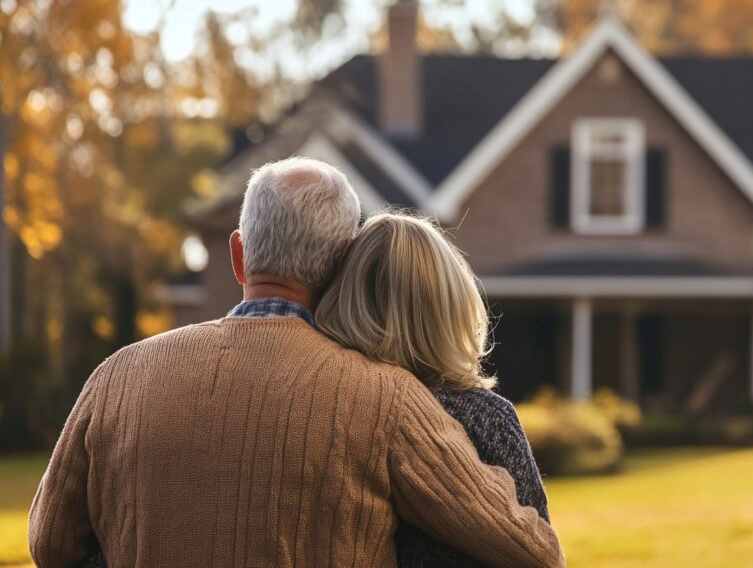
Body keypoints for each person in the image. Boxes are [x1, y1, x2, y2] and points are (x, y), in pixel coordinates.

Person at [29, 157, 564, 567]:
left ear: (238, 254)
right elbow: (531, 547)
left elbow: (50, 542)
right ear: (342, 264)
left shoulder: (116, 376)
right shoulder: (388, 399)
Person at [316, 212, 549, 567]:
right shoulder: (486, 417)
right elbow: (541, 548)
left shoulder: (322, 406)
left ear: (344, 299)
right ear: (451, 305)